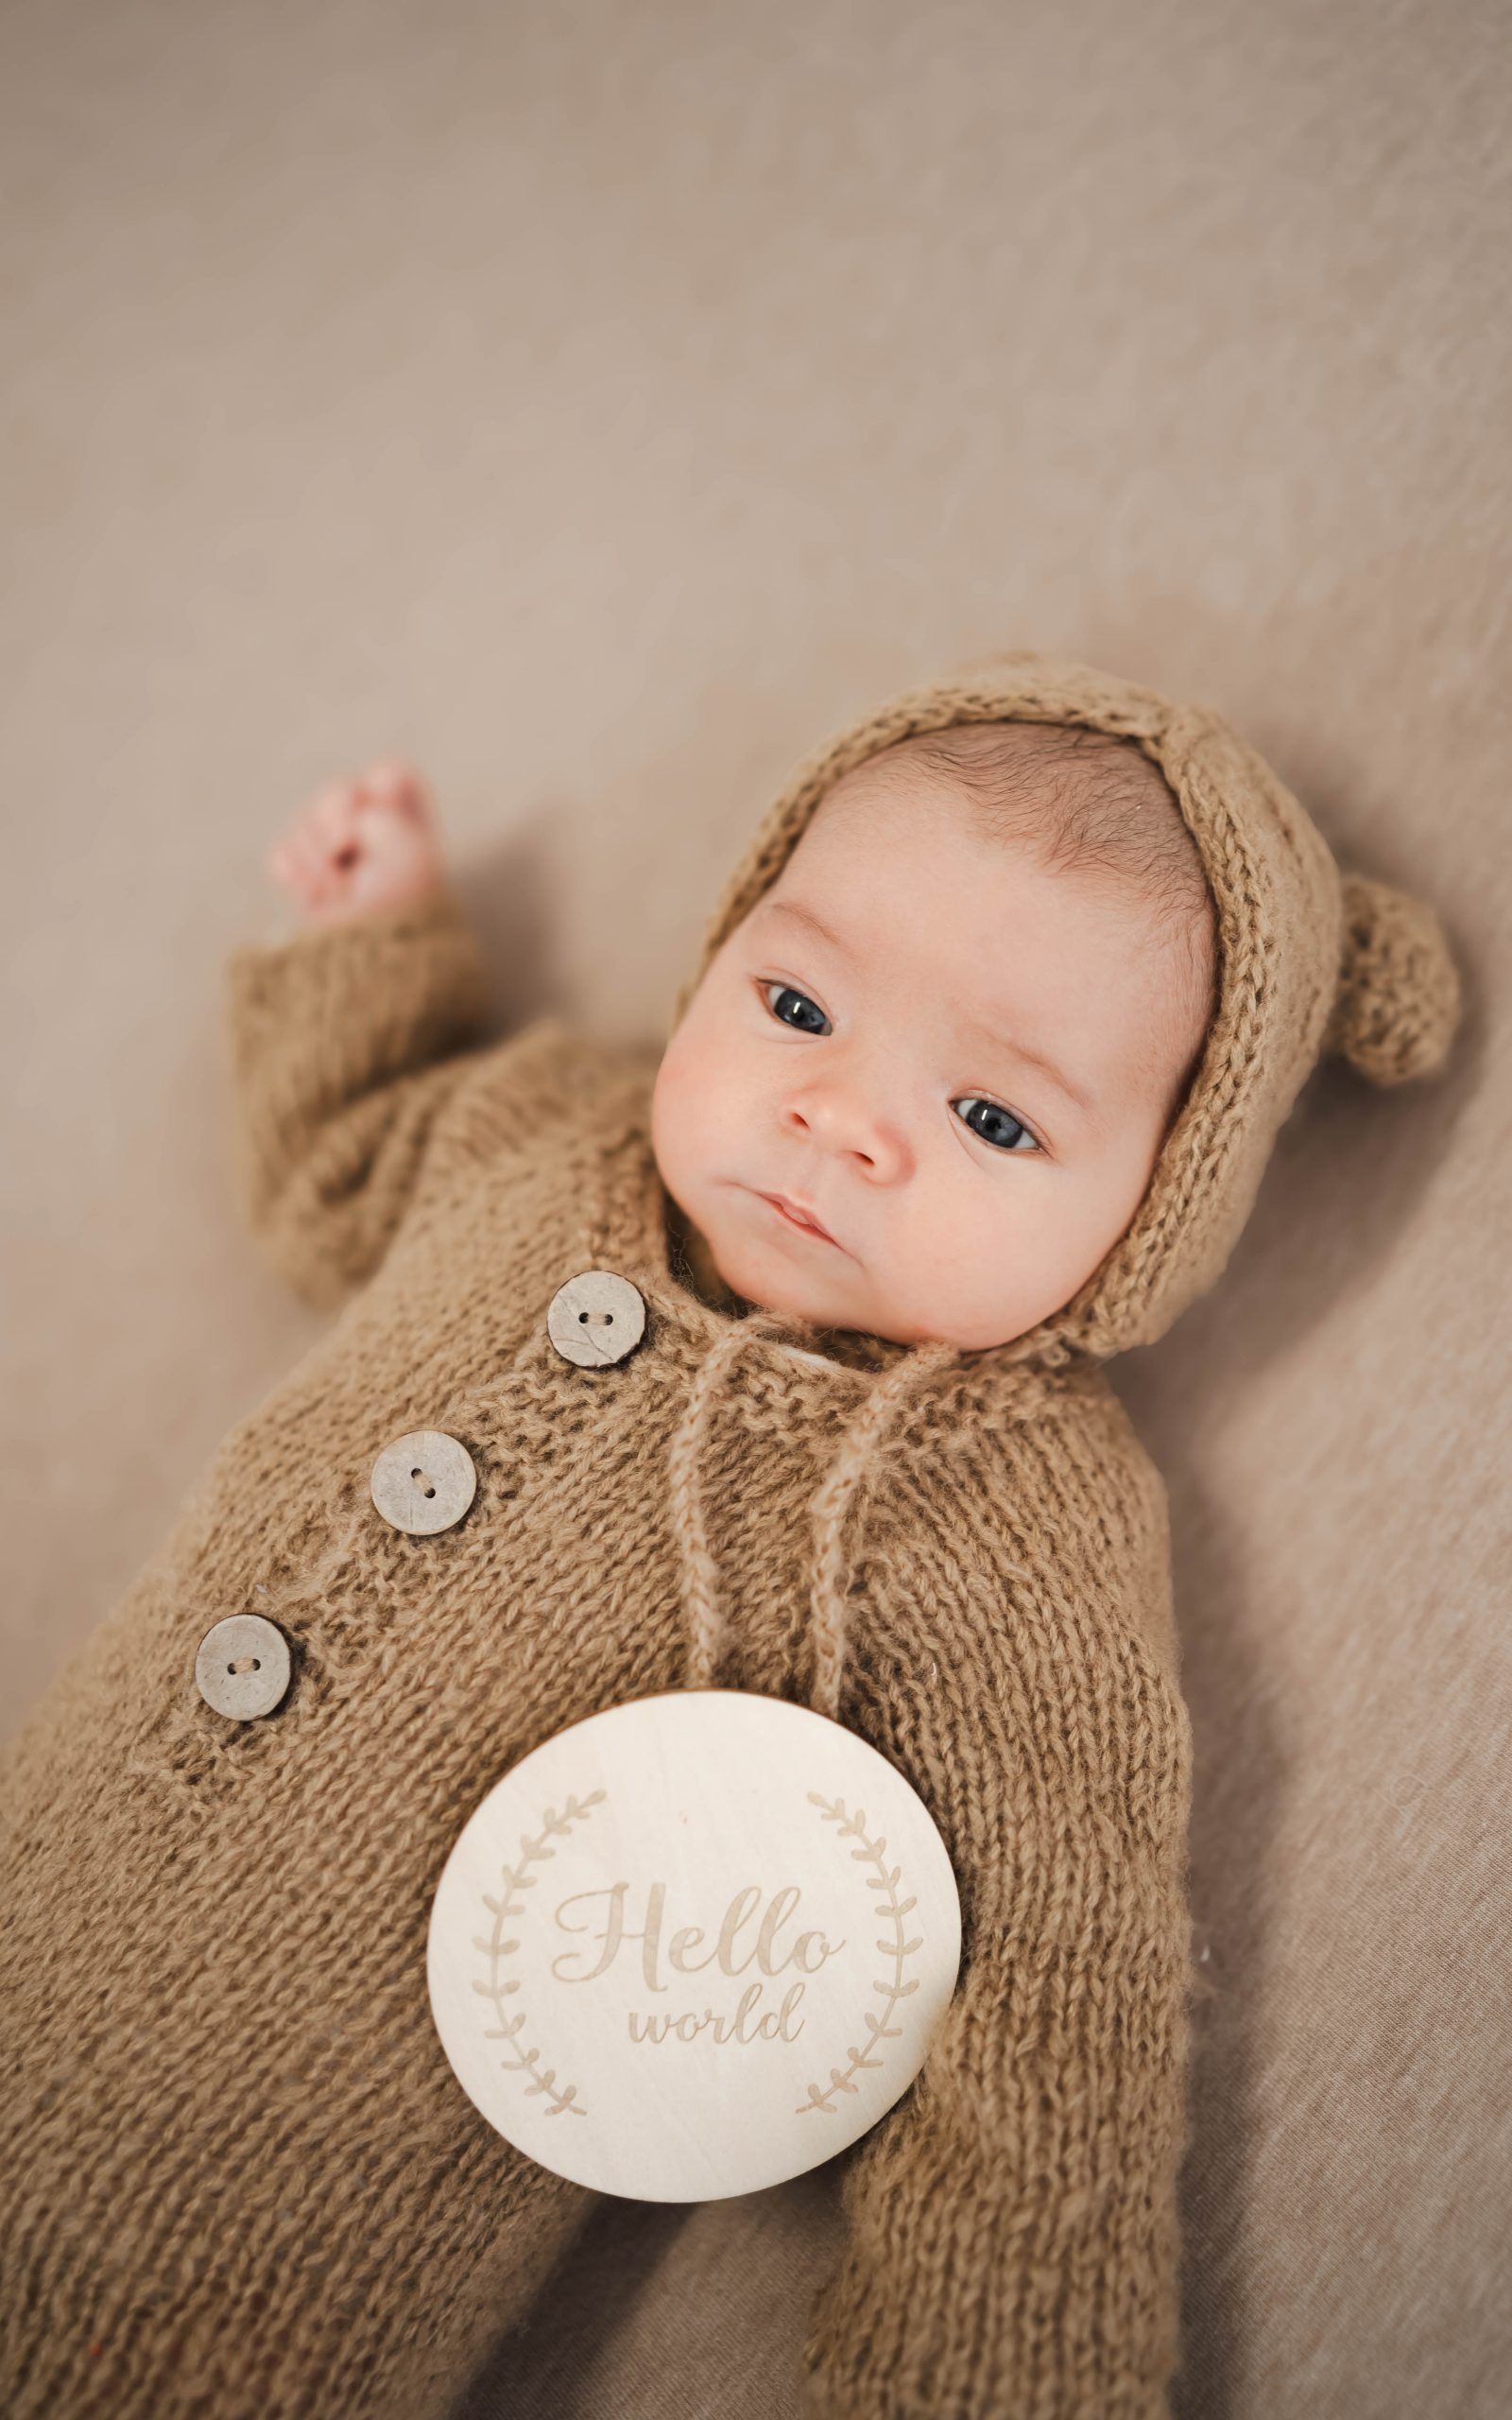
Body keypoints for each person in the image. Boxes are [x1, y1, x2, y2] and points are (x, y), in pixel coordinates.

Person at [0, 651, 1460, 2418]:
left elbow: (1050, 1999)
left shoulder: (995, 1496)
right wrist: (371, 957)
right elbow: (348, 1175)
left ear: (1151, 1218)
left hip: (237, 2258)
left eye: (992, 1116)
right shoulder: (552, 1128)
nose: (837, 1118)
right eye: (795, 1006)